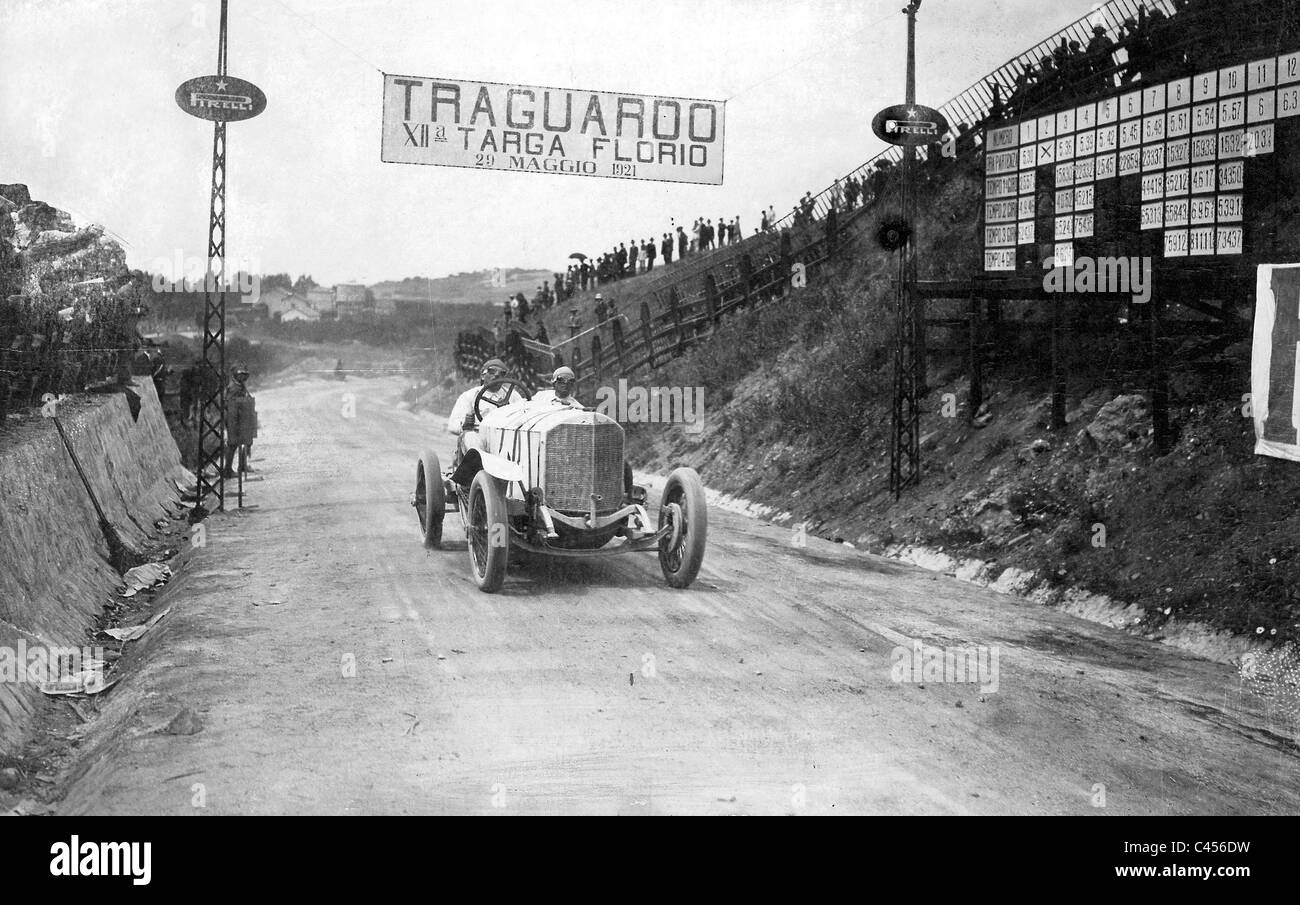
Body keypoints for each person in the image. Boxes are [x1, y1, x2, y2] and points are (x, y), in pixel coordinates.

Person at [447, 358, 526, 452]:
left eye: (502, 373)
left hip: (506, 437)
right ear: (483, 376)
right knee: (470, 436)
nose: (497, 375)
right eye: (492, 371)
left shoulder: (513, 396)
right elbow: (452, 425)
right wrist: (464, 424)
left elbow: (525, 415)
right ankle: (479, 464)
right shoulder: (469, 396)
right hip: (480, 437)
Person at [222, 363, 257, 477]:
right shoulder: (233, 388)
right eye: (240, 375)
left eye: (244, 375)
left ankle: (242, 465)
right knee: (233, 444)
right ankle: (227, 470)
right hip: (234, 418)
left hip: (242, 417)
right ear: (235, 375)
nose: (243, 377)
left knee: (246, 440)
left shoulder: (241, 386)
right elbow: (230, 405)